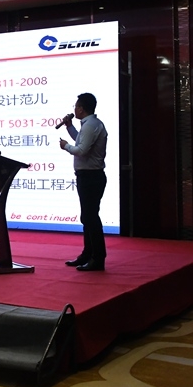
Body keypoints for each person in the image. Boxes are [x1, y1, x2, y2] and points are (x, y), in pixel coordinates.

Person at [59, 93, 108, 271]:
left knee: (90, 217)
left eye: (76, 106)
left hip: (91, 177)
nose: (74, 109)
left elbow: (81, 150)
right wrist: (69, 127)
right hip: (88, 177)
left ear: (81, 108)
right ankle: (88, 254)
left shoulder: (91, 125)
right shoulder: (90, 125)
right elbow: (80, 140)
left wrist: (65, 146)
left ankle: (98, 258)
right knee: (87, 217)